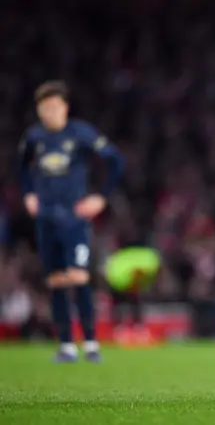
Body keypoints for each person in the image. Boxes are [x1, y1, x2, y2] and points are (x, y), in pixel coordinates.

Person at [18, 81, 124, 363]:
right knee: (56, 281)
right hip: (46, 218)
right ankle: (66, 345)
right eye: (44, 108)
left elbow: (115, 161)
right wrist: (28, 194)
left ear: (65, 107)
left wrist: (100, 197)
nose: (49, 113)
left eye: (54, 106)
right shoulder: (34, 137)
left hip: (74, 218)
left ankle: (90, 343)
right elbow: (22, 167)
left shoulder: (81, 133)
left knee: (78, 276)